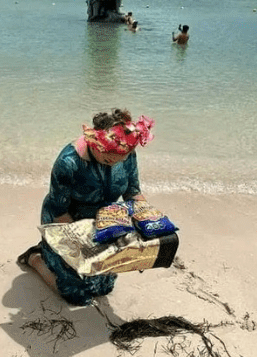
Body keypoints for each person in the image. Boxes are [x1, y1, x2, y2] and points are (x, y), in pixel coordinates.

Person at [17, 108, 155, 306]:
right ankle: (35, 258)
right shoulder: (68, 162)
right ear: (93, 141)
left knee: (103, 288)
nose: (113, 162)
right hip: (65, 220)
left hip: (105, 220)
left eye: (119, 159)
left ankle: (50, 255)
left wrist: (151, 221)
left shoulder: (126, 152)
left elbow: (133, 192)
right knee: (77, 295)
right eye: (107, 157)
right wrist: (87, 246)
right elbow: (59, 210)